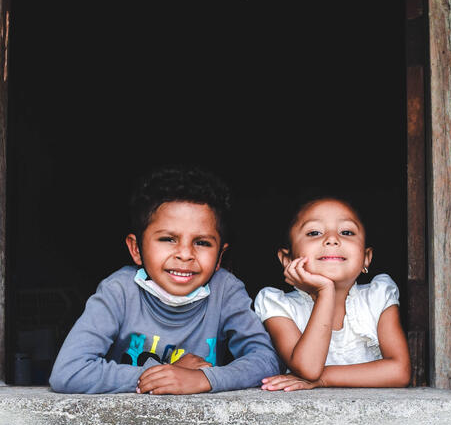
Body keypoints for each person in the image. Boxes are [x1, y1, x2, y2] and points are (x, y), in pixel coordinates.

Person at [49, 167, 280, 394]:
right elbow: (68, 372)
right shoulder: (119, 291)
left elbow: (265, 361)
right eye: (168, 239)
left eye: (202, 243)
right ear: (136, 249)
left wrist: (203, 379)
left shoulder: (225, 290)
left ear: (220, 256)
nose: (185, 254)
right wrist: (164, 374)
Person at [254, 197, 411, 390]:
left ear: (366, 258)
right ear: (287, 259)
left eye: (346, 232)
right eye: (314, 232)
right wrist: (325, 292)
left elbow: (400, 372)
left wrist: (323, 379)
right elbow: (308, 369)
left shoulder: (378, 297)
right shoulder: (278, 305)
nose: (332, 239)